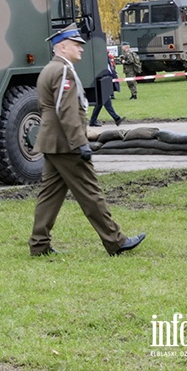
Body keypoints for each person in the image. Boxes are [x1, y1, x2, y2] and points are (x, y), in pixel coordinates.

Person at [29, 24, 145, 257]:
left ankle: (39, 244)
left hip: (53, 141)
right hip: (66, 142)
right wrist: (79, 142)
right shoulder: (63, 71)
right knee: (90, 192)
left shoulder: (50, 69)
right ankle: (115, 241)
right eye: (76, 45)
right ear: (62, 47)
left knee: (49, 195)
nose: (81, 48)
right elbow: (67, 110)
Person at [89, 53, 124, 127]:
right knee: (107, 102)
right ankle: (117, 118)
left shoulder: (105, 58)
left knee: (99, 104)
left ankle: (92, 121)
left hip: (104, 81)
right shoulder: (100, 59)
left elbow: (110, 69)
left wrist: (114, 74)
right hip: (101, 82)